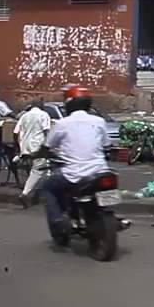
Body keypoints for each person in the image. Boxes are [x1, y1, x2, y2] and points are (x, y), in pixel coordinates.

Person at [38, 88, 110, 240]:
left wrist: (36, 155)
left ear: (69, 105)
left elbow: (46, 147)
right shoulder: (99, 121)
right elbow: (106, 145)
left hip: (74, 173)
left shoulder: (62, 124)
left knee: (46, 188)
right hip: (100, 170)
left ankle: (58, 222)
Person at [16, 99, 52, 206]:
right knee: (38, 170)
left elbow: (17, 132)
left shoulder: (24, 116)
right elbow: (46, 131)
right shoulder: (44, 115)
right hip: (38, 145)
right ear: (41, 106)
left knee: (34, 169)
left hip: (26, 146)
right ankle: (25, 193)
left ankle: (31, 190)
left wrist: (18, 147)